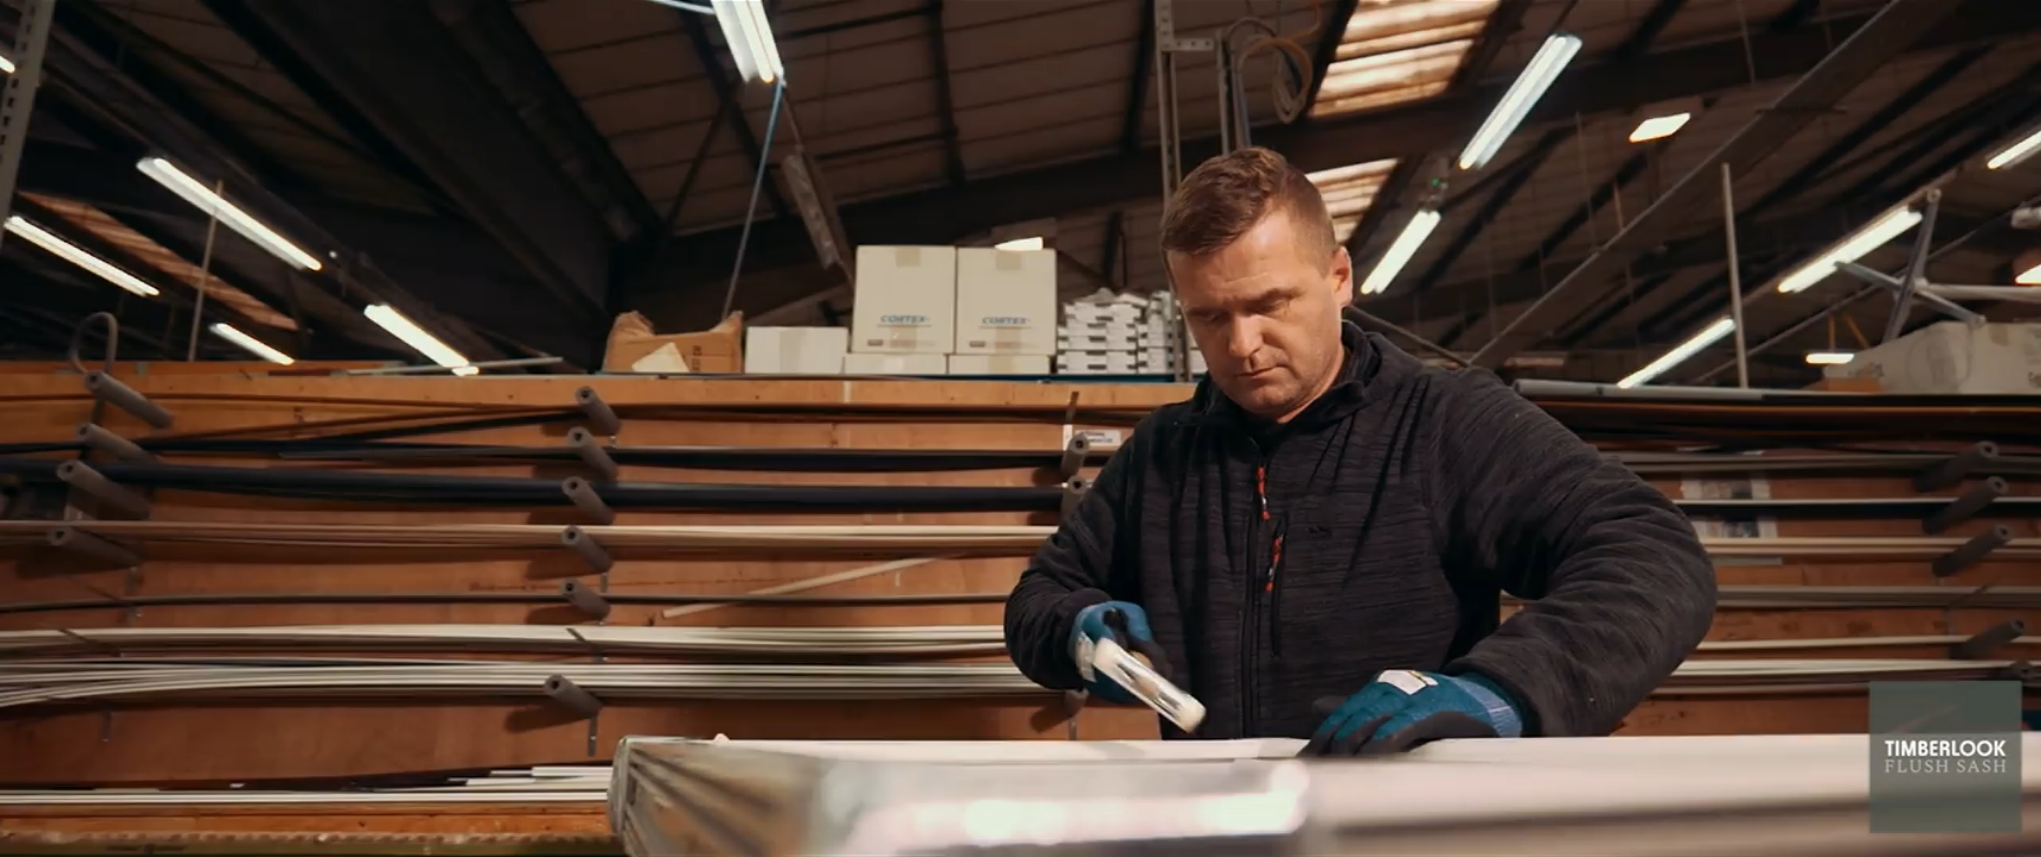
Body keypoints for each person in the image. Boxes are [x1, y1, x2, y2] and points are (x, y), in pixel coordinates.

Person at [1002, 147, 1718, 756]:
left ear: (1339, 277)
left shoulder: (1443, 423)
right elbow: (1039, 597)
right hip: (1222, 828)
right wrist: (1076, 630)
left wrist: (1498, 691)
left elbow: (1652, 554)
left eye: (1268, 304)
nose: (1240, 344)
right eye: (1210, 316)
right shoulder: (1162, 455)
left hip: (1406, 832)